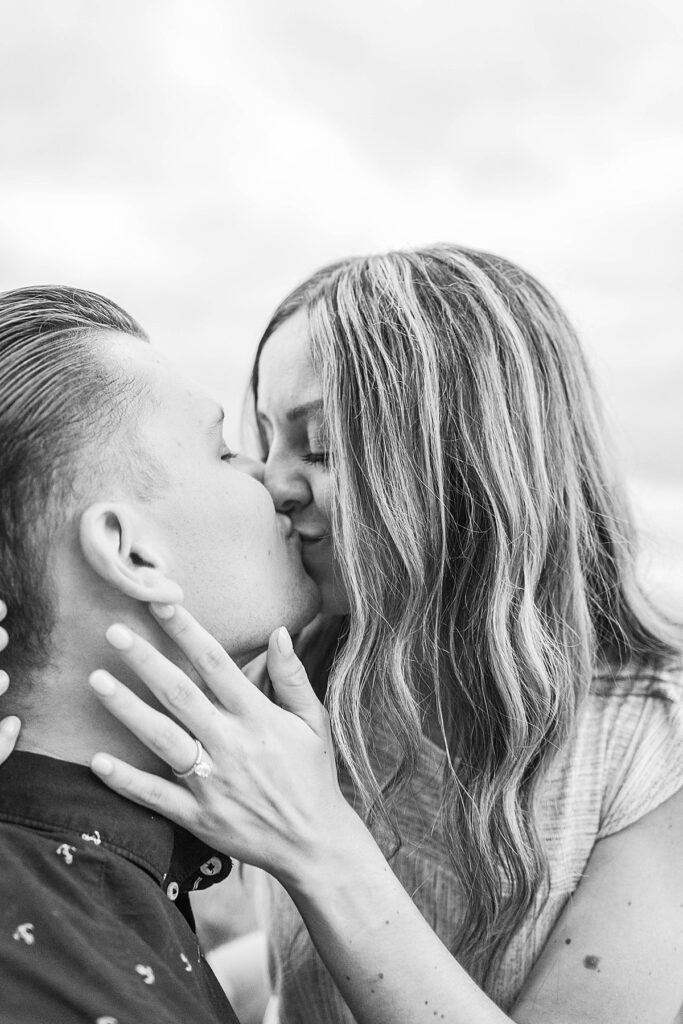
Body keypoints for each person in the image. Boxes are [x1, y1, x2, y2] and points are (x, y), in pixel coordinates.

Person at [3, 246, 683, 1022]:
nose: (273, 481)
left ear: (467, 459)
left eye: (321, 445)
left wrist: (320, 848)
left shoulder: (647, 742)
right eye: (259, 440)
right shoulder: (290, 673)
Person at [0, 285, 319, 1024]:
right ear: (130, 552)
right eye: (225, 450)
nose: (272, 480)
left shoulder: (73, 903)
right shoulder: (60, 974)